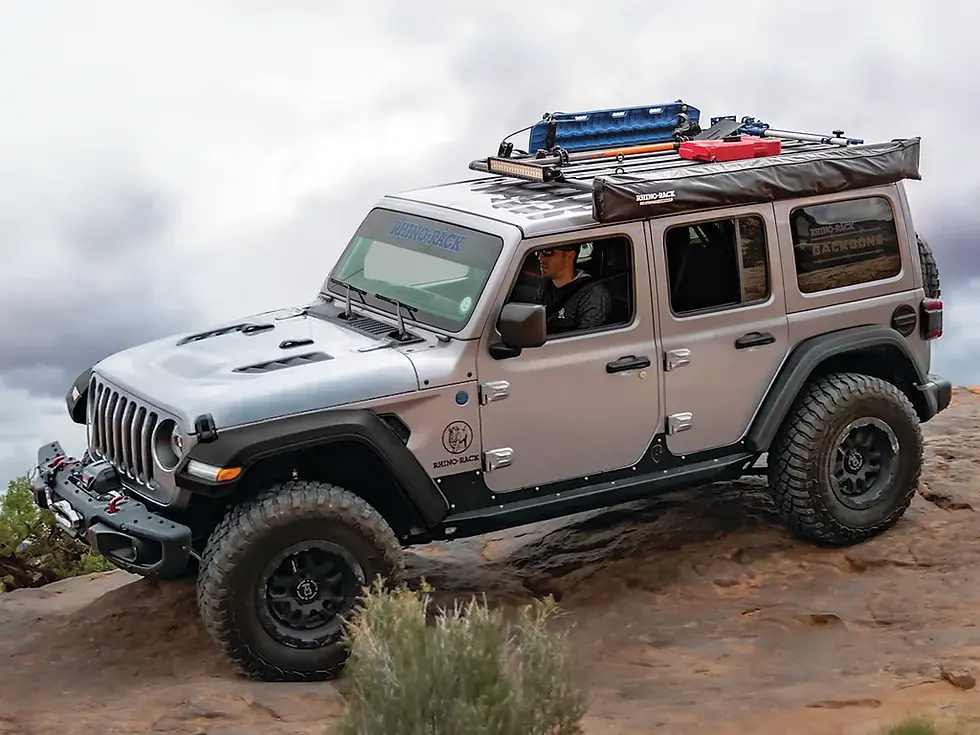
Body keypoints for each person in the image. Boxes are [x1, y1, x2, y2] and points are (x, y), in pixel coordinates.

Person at [536, 244, 611, 334]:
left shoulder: (592, 294)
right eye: (538, 252)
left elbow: (587, 341)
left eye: (547, 252)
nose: (540, 258)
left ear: (569, 256)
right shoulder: (546, 285)